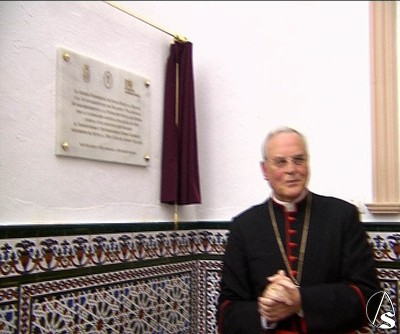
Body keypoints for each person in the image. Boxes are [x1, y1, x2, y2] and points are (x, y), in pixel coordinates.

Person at [217, 126, 380, 334]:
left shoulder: (342, 216)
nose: (291, 169)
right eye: (280, 162)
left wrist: (301, 301)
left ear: (308, 164)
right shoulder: (243, 226)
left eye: (299, 159)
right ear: (264, 170)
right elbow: (226, 313)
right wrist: (266, 313)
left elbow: (372, 299)